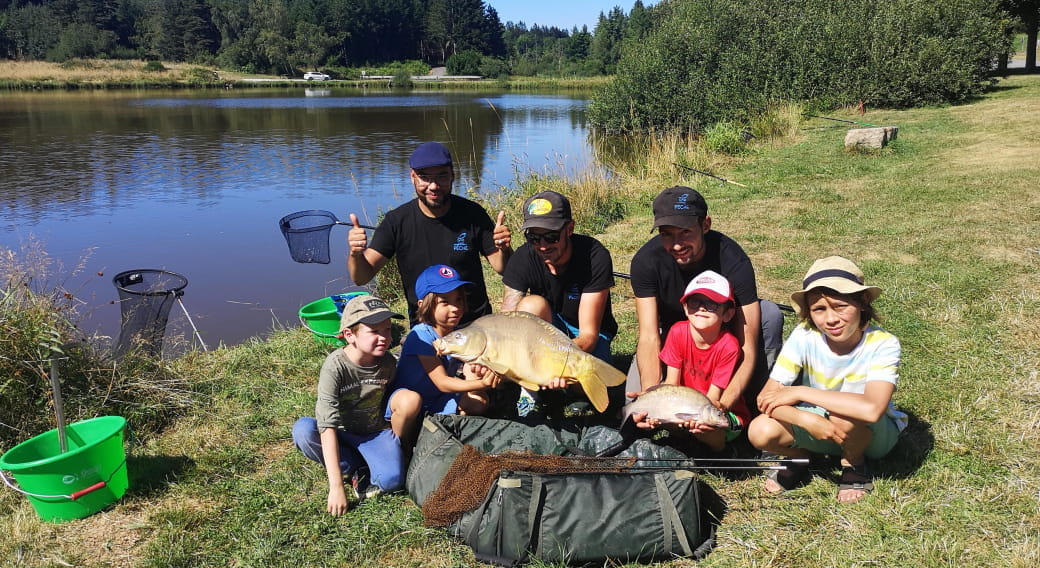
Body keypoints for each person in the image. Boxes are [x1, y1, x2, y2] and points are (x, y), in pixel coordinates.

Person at [747, 256, 907, 503]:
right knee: (760, 430)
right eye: (819, 309)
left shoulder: (883, 343)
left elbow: (872, 409)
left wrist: (801, 393)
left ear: (862, 303)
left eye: (840, 306)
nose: (830, 319)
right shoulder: (804, 336)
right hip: (820, 425)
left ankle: (855, 463)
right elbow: (765, 399)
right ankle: (802, 457)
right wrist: (805, 419)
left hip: (871, 436)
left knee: (842, 413)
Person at [627, 186, 784, 415]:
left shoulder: (734, 261)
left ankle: (755, 399)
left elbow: (746, 349)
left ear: (705, 225)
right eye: (666, 234)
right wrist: (652, 397)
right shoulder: (645, 262)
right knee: (633, 406)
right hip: (674, 338)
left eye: (685, 232)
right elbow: (649, 337)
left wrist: (720, 407)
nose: (677, 244)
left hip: (723, 333)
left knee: (769, 314)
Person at [347, 141, 512, 324]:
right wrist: (356, 254)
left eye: (442, 176)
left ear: (452, 176)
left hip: (475, 323)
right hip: (425, 327)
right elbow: (362, 277)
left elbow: (502, 268)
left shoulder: (473, 213)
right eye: (425, 177)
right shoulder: (396, 221)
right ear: (413, 177)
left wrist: (504, 248)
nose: (433, 186)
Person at [291, 294, 410, 515]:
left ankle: (361, 466)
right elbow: (327, 426)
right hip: (341, 433)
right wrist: (335, 487)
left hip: (374, 433)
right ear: (349, 335)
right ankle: (350, 468)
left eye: (387, 329)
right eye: (374, 331)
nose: (384, 337)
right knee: (303, 431)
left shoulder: (388, 362)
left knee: (392, 480)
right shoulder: (335, 367)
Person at [631, 270, 751, 453]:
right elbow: (672, 384)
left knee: (706, 425)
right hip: (685, 406)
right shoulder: (677, 332)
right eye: (695, 302)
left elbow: (713, 399)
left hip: (719, 410)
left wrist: (698, 416)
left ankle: (720, 450)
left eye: (712, 304)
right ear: (686, 308)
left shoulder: (729, 346)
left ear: (727, 314)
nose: (702, 308)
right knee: (664, 416)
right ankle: (684, 440)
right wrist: (659, 411)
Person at [385, 264, 502, 445]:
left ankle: (443, 431)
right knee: (410, 403)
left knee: (479, 401)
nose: (455, 308)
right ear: (424, 305)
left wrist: (480, 376)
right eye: (445, 302)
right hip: (408, 401)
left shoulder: (455, 334)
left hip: (436, 400)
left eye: (459, 300)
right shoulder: (421, 335)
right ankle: (401, 446)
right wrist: (483, 383)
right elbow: (443, 383)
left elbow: (471, 366)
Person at [501, 191, 617, 363]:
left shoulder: (594, 257)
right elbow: (506, 324)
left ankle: (543, 371)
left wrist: (553, 359)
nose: (542, 246)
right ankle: (529, 388)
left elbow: (588, 337)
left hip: (585, 331)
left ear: (569, 229)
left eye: (551, 237)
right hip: (547, 328)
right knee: (531, 305)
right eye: (533, 237)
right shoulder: (523, 257)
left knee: (587, 383)